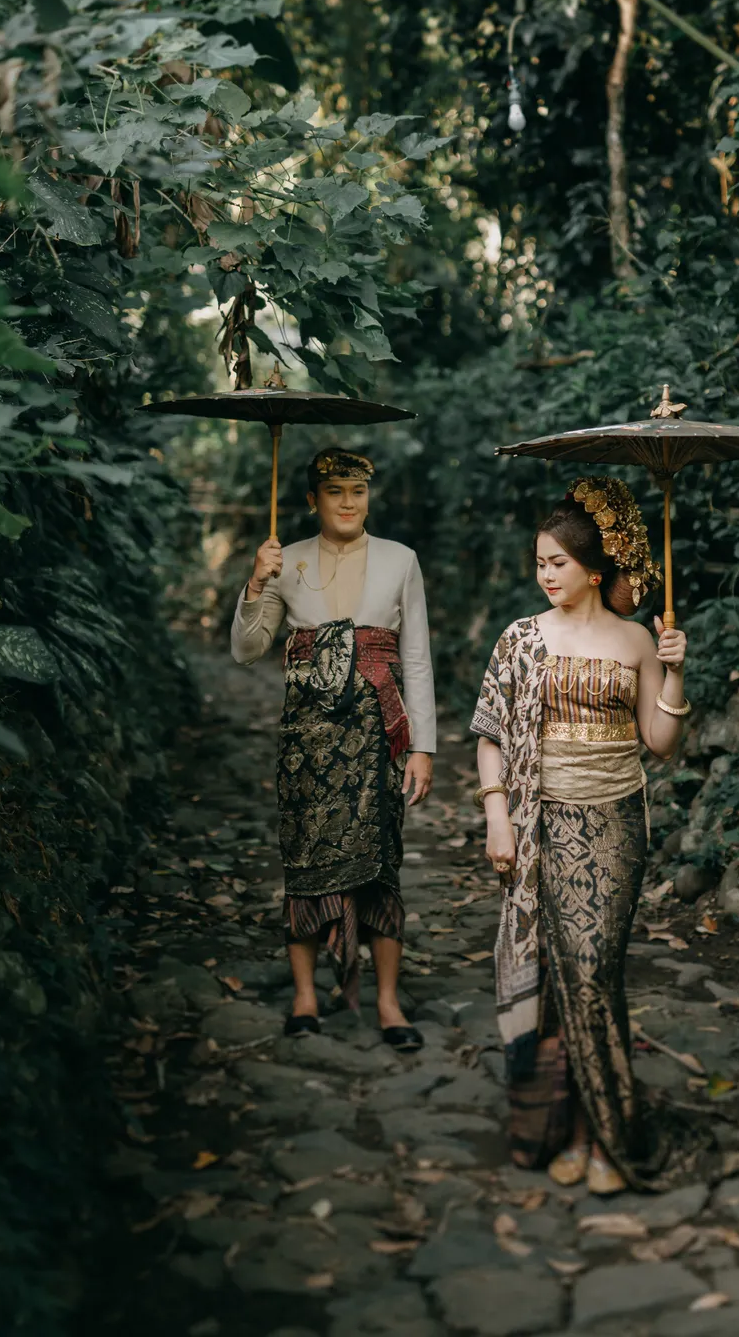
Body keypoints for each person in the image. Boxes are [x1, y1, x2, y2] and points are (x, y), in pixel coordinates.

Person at [471, 477, 688, 1192]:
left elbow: (660, 743)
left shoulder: (636, 640)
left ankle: (606, 1135)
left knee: (594, 973)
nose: (544, 574)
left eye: (557, 563)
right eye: (538, 562)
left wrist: (674, 674)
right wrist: (498, 816)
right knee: (555, 982)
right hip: (540, 824)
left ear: (593, 569)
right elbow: (490, 735)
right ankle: (566, 1129)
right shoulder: (522, 638)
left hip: (615, 824)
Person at [230, 446, 435, 1052]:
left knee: (382, 862)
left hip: (377, 737)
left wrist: (422, 747)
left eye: (358, 492)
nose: (349, 503)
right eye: (335, 492)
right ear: (312, 500)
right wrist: (256, 580)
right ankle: (305, 997)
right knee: (304, 858)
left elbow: (416, 659)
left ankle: (388, 1001)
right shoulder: (284, 560)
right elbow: (247, 649)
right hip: (307, 740)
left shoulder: (401, 560)